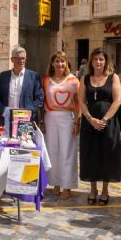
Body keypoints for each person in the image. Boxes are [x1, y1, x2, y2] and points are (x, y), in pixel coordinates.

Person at [78, 48, 121, 205]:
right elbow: (81, 101)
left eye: (101, 59)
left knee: (107, 154)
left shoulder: (113, 77)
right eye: (95, 59)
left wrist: (104, 119)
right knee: (90, 154)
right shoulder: (85, 78)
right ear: (91, 61)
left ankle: (105, 190)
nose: (98, 62)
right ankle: (93, 189)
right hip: (89, 122)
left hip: (108, 122)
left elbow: (117, 100)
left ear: (106, 61)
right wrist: (90, 119)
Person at [43, 51, 80, 199]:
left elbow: (79, 103)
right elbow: (43, 102)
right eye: (57, 61)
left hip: (67, 118)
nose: (60, 64)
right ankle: (55, 183)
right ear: (52, 63)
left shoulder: (74, 80)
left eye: (62, 61)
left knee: (67, 151)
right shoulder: (46, 80)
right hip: (50, 117)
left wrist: (77, 122)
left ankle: (67, 186)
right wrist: (41, 121)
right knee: (53, 151)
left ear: (67, 63)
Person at [0, 46, 44, 126]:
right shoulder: (3, 76)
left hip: (26, 121)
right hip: (6, 119)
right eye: (18, 58)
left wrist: (27, 112)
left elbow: (39, 99)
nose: (21, 61)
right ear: (12, 60)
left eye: (23, 58)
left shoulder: (34, 76)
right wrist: (3, 111)